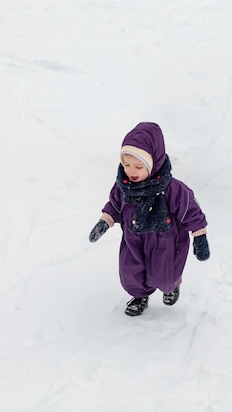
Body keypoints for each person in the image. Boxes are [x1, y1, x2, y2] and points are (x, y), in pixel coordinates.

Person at [89, 122, 210, 316]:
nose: (131, 171)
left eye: (138, 166)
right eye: (126, 164)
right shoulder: (123, 186)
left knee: (164, 275)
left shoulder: (173, 188)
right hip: (133, 239)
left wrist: (200, 235)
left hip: (165, 241)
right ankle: (139, 296)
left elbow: (191, 210)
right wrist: (106, 220)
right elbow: (115, 204)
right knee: (130, 272)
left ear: (154, 163)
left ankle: (171, 287)